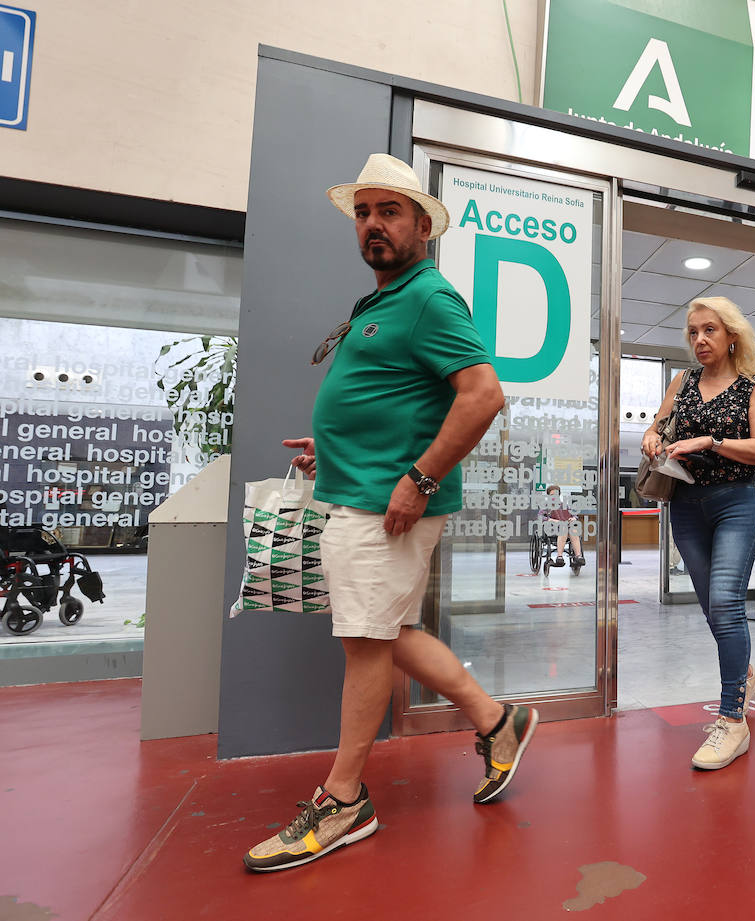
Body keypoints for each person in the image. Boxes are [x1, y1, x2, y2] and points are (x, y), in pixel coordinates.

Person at [244, 154, 538, 872]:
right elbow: (399, 398)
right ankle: (501, 721)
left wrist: (419, 476)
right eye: (364, 212)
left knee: (367, 641)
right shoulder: (381, 300)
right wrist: (336, 444)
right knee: (388, 632)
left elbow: (482, 394)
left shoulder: (430, 297)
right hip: (363, 492)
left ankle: (344, 801)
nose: (374, 225)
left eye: (389, 212)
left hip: (391, 508)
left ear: (421, 226)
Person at [642, 296, 755, 769]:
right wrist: (653, 437)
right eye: (693, 332)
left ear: (731, 335)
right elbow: (659, 425)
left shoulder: (753, 385)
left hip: (736, 502)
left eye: (710, 331)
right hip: (686, 505)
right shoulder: (682, 381)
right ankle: (743, 675)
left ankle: (731, 720)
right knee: (714, 611)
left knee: (724, 601)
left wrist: (712, 441)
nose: (699, 340)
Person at [541, 484, 584, 567]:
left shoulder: (564, 505)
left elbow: (574, 515)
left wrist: (574, 518)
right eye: (552, 495)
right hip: (553, 529)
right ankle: (559, 556)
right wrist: (551, 520)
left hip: (566, 527)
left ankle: (578, 556)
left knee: (573, 530)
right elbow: (540, 517)